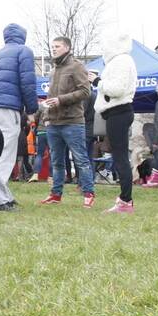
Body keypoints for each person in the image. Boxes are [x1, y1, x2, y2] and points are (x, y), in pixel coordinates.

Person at [0, 24, 38, 209]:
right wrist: (31, 110)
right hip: (9, 109)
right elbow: (28, 82)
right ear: (23, 36)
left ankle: (3, 195)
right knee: (5, 154)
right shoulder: (24, 51)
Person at [39, 36, 95, 207]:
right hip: (53, 122)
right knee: (56, 161)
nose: (53, 49)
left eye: (57, 46)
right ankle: (56, 194)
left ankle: (89, 193)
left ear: (67, 48)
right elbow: (51, 96)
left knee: (81, 159)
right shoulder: (54, 69)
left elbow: (86, 91)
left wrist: (61, 100)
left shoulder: (77, 66)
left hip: (73, 122)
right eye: (52, 46)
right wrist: (46, 115)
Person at [93, 34, 138, 212]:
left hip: (118, 112)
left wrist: (97, 82)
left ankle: (126, 200)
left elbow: (116, 89)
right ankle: (125, 199)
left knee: (120, 158)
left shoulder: (121, 61)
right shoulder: (122, 61)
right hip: (116, 113)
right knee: (119, 156)